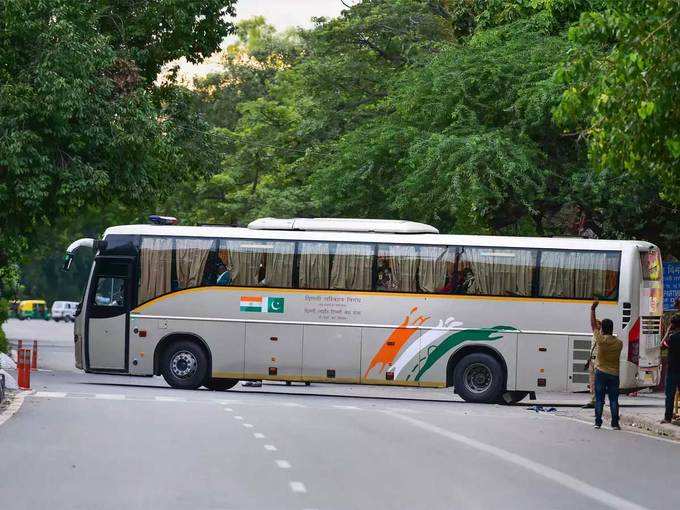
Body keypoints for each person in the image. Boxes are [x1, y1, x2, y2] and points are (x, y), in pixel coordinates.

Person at [590, 301, 623, 429]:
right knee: (614, 400)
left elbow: (593, 325)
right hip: (614, 374)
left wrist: (593, 310)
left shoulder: (601, 341)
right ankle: (615, 423)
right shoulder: (619, 343)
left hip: (601, 372)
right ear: (612, 328)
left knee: (599, 399)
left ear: (602, 329)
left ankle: (598, 422)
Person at [660, 314, 680, 424]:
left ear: (673, 325)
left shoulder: (672, 338)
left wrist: (667, 331)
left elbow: (661, 345)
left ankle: (667, 417)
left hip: (673, 370)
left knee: (670, 395)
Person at [581, 319, 600, 409]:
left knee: (597, 382)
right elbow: (593, 349)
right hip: (592, 361)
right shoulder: (594, 335)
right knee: (592, 382)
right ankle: (593, 400)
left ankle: (597, 401)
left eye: (597, 325)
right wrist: (589, 360)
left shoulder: (600, 335)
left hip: (597, 361)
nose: (594, 327)